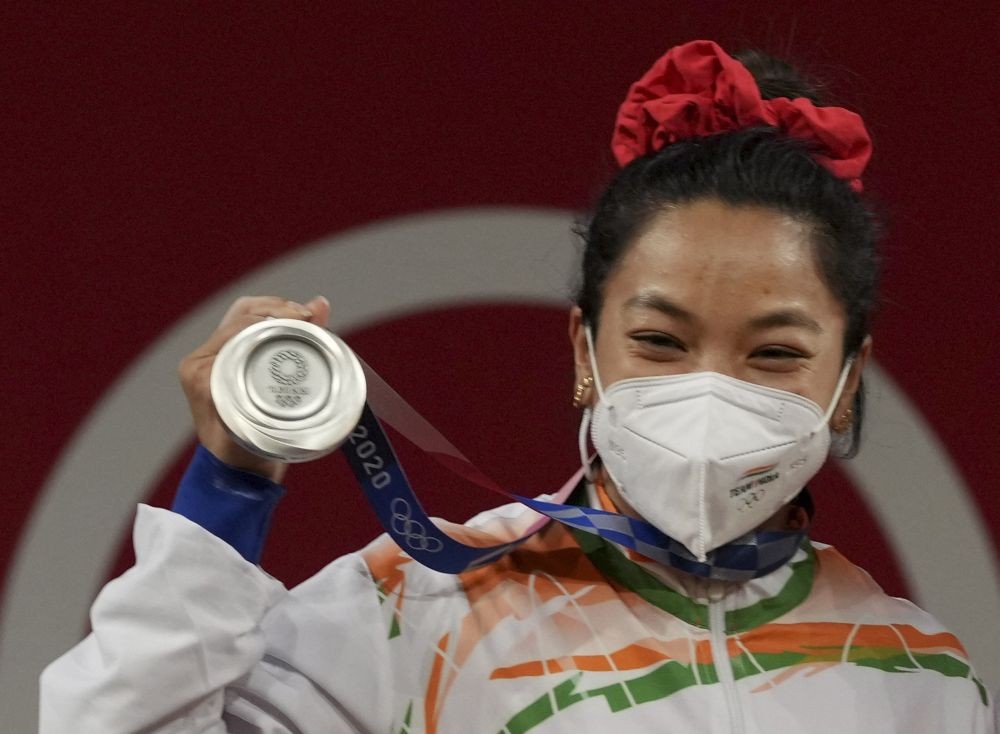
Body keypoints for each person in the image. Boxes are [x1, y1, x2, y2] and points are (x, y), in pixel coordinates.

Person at [39, 39, 995, 733]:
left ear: (849, 375)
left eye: (775, 354)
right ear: (585, 349)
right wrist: (232, 487)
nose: (711, 392)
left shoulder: (918, 673)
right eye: (660, 340)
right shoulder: (416, 613)